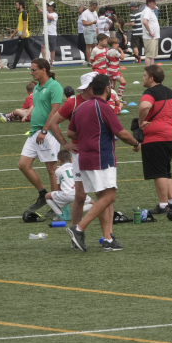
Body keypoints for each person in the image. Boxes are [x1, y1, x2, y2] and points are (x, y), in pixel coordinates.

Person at [66, 74, 140, 252]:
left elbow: (71, 133)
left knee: (103, 198)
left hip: (84, 158)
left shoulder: (81, 107)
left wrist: (89, 133)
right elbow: (121, 133)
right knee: (110, 197)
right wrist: (136, 143)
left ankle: (108, 239)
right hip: (101, 157)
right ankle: (79, 228)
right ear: (108, 89)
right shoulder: (103, 107)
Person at [46, 72, 97, 227]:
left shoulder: (101, 100)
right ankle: (77, 227)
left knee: (105, 193)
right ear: (88, 87)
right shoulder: (73, 103)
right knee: (81, 195)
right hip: (80, 154)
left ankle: (107, 232)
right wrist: (64, 143)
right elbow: (53, 123)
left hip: (99, 152)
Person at [20, 59, 64, 212]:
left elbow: (55, 110)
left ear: (44, 70)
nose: (31, 73)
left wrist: (45, 130)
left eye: (34, 70)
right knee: (23, 165)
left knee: (52, 170)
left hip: (48, 133)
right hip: (35, 132)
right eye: (31, 70)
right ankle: (42, 194)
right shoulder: (37, 87)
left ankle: (56, 203)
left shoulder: (54, 86)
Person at [138, 64, 172, 215]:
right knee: (166, 171)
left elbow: (144, 107)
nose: (143, 78)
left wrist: (141, 122)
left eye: (144, 76)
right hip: (171, 136)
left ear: (151, 78)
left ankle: (163, 205)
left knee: (159, 172)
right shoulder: (170, 91)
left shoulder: (150, 92)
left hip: (155, 138)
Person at [45, 149, 94, 219]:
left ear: (59, 161)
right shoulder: (76, 167)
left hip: (66, 194)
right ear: (71, 160)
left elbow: (59, 188)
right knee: (92, 203)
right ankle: (77, 211)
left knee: (47, 196)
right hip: (79, 193)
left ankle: (60, 215)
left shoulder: (58, 170)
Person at [9, 0, 39, 69]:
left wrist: (23, 34)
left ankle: (14, 66)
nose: (15, 6)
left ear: (21, 5)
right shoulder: (21, 14)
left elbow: (25, 24)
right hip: (23, 35)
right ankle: (37, 64)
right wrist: (13, 34)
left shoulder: (24, 14)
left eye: (16, 5)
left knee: (19, 50)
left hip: (24, 36)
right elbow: (19, 26)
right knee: (29, 51)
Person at [106, 36, 127, 105]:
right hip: (114, 70)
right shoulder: (114, 51)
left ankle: (111, 99)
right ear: (114, 44)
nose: (118, 45)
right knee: (123, 82)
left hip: (109, 69)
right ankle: (119, 98)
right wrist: (121, 51)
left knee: (112, 86)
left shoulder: (108, 50)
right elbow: (122, 57)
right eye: (117, 43)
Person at [141, 0, 160, 66]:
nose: (155, 3)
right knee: (149, 56)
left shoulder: (150, 11)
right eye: (153, 2)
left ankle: (151, 70)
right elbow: (145, 22)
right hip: (150, 37)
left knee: (152, 56)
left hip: (152, 37)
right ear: (149, 3)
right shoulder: (147, 11)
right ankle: (148, 71)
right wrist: (150, 32)